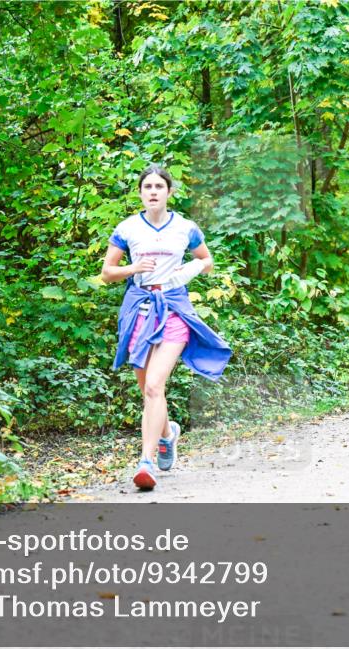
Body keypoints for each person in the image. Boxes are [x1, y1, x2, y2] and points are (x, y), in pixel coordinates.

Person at [101, 165, 232, 490]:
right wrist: (133, 268)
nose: (154, 191)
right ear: (141, 193)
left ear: (169, 192)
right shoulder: (128, 228)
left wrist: (189, 270)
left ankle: (145, 462)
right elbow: (107, 272)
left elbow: (207, 260)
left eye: (160, 186)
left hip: (173, 308)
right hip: (139, 310)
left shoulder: (185, 228)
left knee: (155, 386)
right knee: (147, 387)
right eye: (148, 186)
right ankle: (167, 433)